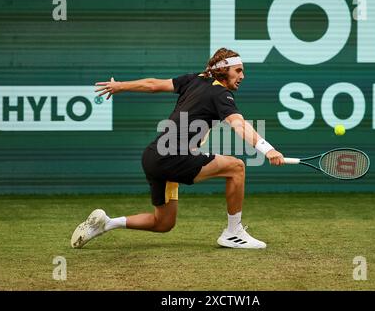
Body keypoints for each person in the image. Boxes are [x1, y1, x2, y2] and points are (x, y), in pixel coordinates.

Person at [70, 48, 285, 250]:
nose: (242, 76)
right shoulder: (221, 94)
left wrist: (121, 86)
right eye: (238, 70)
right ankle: (233, 232)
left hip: (153, 156)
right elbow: (238, 124)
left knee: (163, 222)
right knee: (237, 167)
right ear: (223, 70)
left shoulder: (193, 80)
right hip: (172, 157)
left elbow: (153, 85)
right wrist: (267, 149)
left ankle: (106, 224)